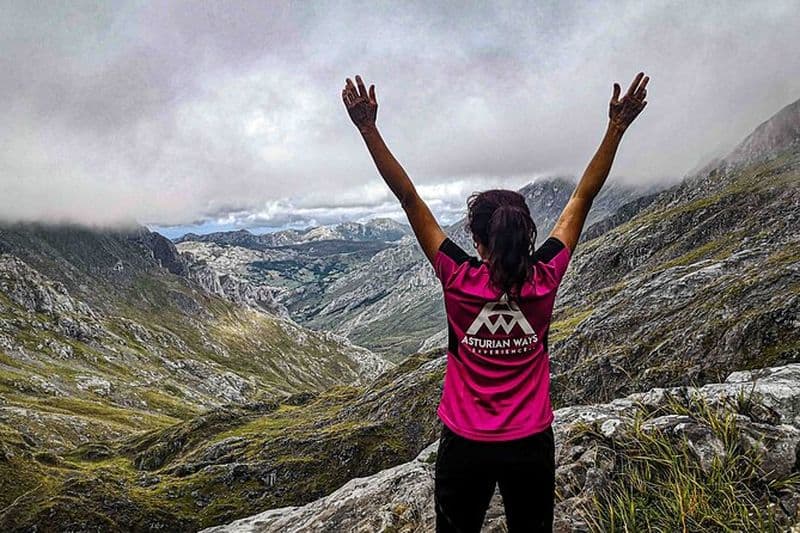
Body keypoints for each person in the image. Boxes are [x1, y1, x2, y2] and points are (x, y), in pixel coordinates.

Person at [342, 71, 649, 532]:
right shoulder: (546, 276)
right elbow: (583, 197)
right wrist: (616, 127)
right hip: (530, 442)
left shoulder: (457, 276)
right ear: (527, 234)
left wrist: (367, 128)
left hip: (465, 442)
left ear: (477, 240)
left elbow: (408, 198)